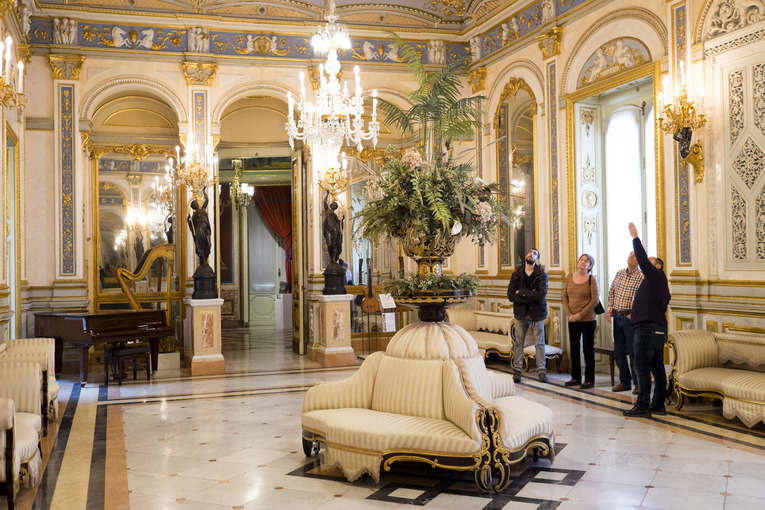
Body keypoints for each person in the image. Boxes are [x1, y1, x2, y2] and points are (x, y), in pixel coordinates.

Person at [624, 222, 671, 417]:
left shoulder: (656, 276)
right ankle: (658, 404)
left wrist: (635, 237)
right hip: (657, 330)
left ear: (657, 266)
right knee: (657, 368)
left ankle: (643, 405)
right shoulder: (658, 283)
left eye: (650, 263)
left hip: (647, 331)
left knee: (641, 368)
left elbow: (643, 260)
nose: (645, 266)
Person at [507, 248, 549, 383]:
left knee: (539, 344)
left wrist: (522, 293)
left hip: (536, 314)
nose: (532, 254)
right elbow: (511, 295)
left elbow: (541, 295)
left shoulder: (541, 274)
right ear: (525, 256)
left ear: (537, 259)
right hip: (520, 314)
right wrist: (530, 294)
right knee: (519, 343)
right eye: (530, 252)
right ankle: (517, 371)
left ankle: (541, 371)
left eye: (535, 253)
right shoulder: (516, 275)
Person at [606, 251, 644, 393]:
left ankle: (638, 383)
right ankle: (624, 381)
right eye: (630, 254)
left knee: (634, 353)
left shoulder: (641, 276)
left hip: (630, 319)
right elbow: (612, 292)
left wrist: (633, 314)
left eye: (635, 255)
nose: (631, 256)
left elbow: (641, 298)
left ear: (639, 260)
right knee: (619, 352)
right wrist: (610, 310)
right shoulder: (620, 273)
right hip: (617, 316)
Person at [563, 254, 600, 389]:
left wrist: (579, 315)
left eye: (587, 261)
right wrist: (570, 314)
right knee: (574, 349)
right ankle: (575, 378)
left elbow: (595, 300)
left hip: (588, 319)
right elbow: (565, 297)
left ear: (590, 266)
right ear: (578, 261)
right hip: (572, 318)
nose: (583, 262)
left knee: (587, 349)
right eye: (582, 259)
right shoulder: (569, 277)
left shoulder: (591, 279)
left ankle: (589, 379)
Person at [187, 189, 211, 265]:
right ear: (193, 207)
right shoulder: (194, 215)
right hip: (199, 230)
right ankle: (203, 260)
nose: (197, 204)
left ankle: (205, 259)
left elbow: (207, 199)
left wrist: (204, 191)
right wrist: (188, 220)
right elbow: (192, 226)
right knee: (200, 245)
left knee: (207, 244)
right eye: (195, 204)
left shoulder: (203, 209)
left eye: (196, 203)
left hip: (205, 229)